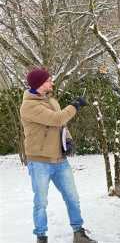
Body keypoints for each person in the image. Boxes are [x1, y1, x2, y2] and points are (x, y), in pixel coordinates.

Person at [20, 68, 97, 243]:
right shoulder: (29, 106)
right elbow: (57, 119)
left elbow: (61, 126)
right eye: (48, 80)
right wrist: (75, 106)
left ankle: (78, 233)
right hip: (40, 161)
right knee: (41, 202)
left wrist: (67, 140)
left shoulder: (51, 101)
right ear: (39, 84)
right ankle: (41, 236)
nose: (51, 83)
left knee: (73, 197)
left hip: (59, 160)